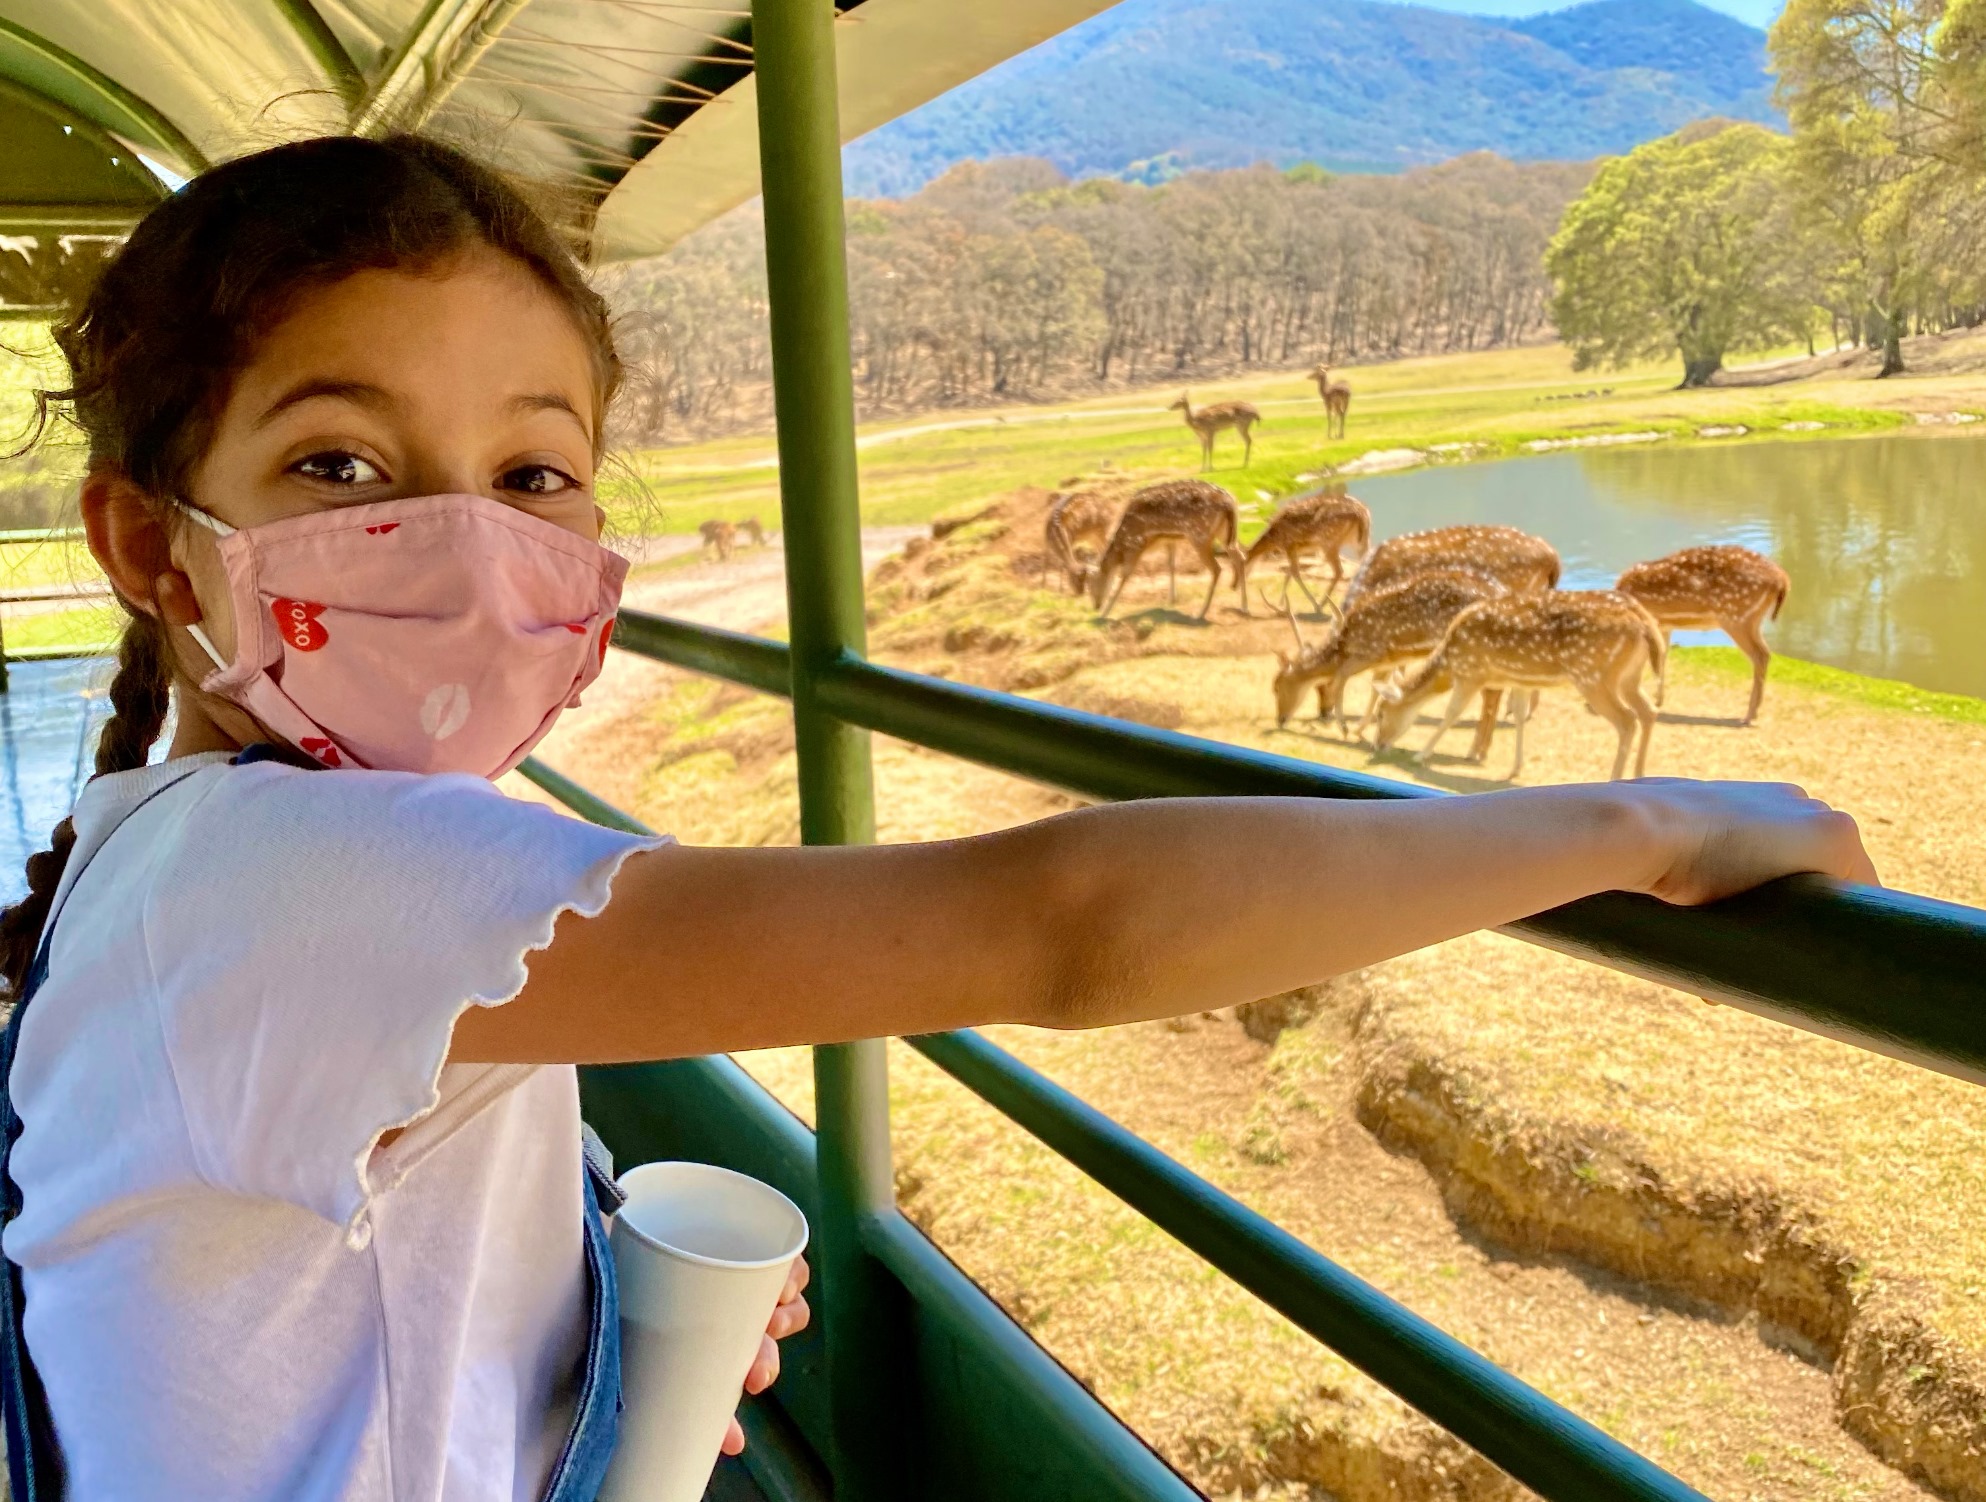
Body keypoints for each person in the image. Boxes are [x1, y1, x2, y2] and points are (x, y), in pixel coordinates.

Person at [0, 135, 1874, 1502]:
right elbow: (1066, 922)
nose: (469, 543)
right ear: (153, 543)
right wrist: (1638, 824)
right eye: (340, 463)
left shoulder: (191, 849)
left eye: (534, 472)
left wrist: (577, 1332)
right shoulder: (306, 877)